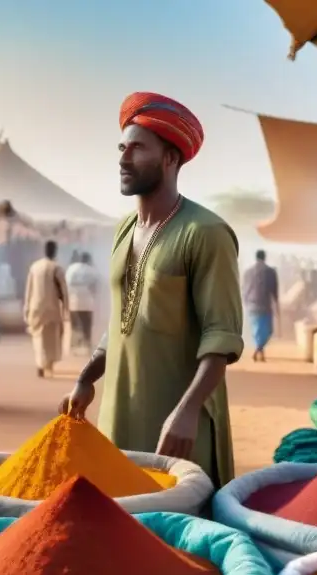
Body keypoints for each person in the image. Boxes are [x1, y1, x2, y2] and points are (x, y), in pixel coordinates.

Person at [59, 92, 244, 487]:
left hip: (176, 429)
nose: (124, 159)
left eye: (138, 148)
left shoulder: (206, 233)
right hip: (118, 416)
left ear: (170, 158)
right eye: (122, 148)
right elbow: (123, 320)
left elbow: (221, 336)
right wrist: (87, 377)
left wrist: (188, 410)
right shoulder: (124, 229)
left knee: (178, 538)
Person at [24, 240, 68, 377]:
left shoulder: (34, 267)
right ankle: (48, 365)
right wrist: (66, 309)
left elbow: (28, 289)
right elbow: (64, 291)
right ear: (55, 251)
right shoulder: (56, 268)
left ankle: (40, 364)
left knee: (38, 338)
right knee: (52, 339)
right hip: (52, 309)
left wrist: (26, 308)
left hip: (35, 308)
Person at [242, 249, 278, 362]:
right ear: (264, 257)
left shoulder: (248, 272)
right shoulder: (270, 272)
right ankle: (259, 350)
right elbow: (274, 291)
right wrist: (277, 305)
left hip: (252, 306)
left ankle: (258, 349)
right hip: (265, 307)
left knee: (256, 330)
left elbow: (244, 289)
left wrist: (245, 303)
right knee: (268, 331)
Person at [65, 251, 101, 353]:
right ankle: (86, 346)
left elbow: (66, 286)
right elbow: (96, 287)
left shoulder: (71, 269)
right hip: (87, 303)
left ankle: (74, 347)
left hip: (73, 302)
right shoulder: (91, 270)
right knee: (86, 325)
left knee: (75, 325)